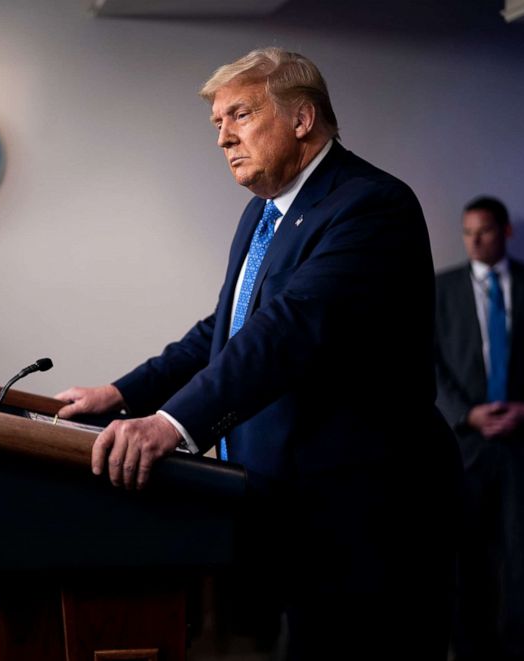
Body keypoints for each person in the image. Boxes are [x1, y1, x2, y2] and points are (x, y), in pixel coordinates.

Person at [56, 47, 460, 660]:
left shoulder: (370, 204)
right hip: (295, 508)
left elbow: (289, 329)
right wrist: (123, 394)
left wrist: (173, 424)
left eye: (239, 115)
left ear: (302, 119)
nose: (223, 138)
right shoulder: (263, 212)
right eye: (217, 123)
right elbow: (229, 325)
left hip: (368, 513)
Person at [434, 197, 524, 659]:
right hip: (466, 446)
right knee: (466, 561)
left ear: (505, 232)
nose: (474, 240)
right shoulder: (441, 288)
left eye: (484, 231)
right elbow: (429, 365)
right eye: (467, 232)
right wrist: (466, 414)